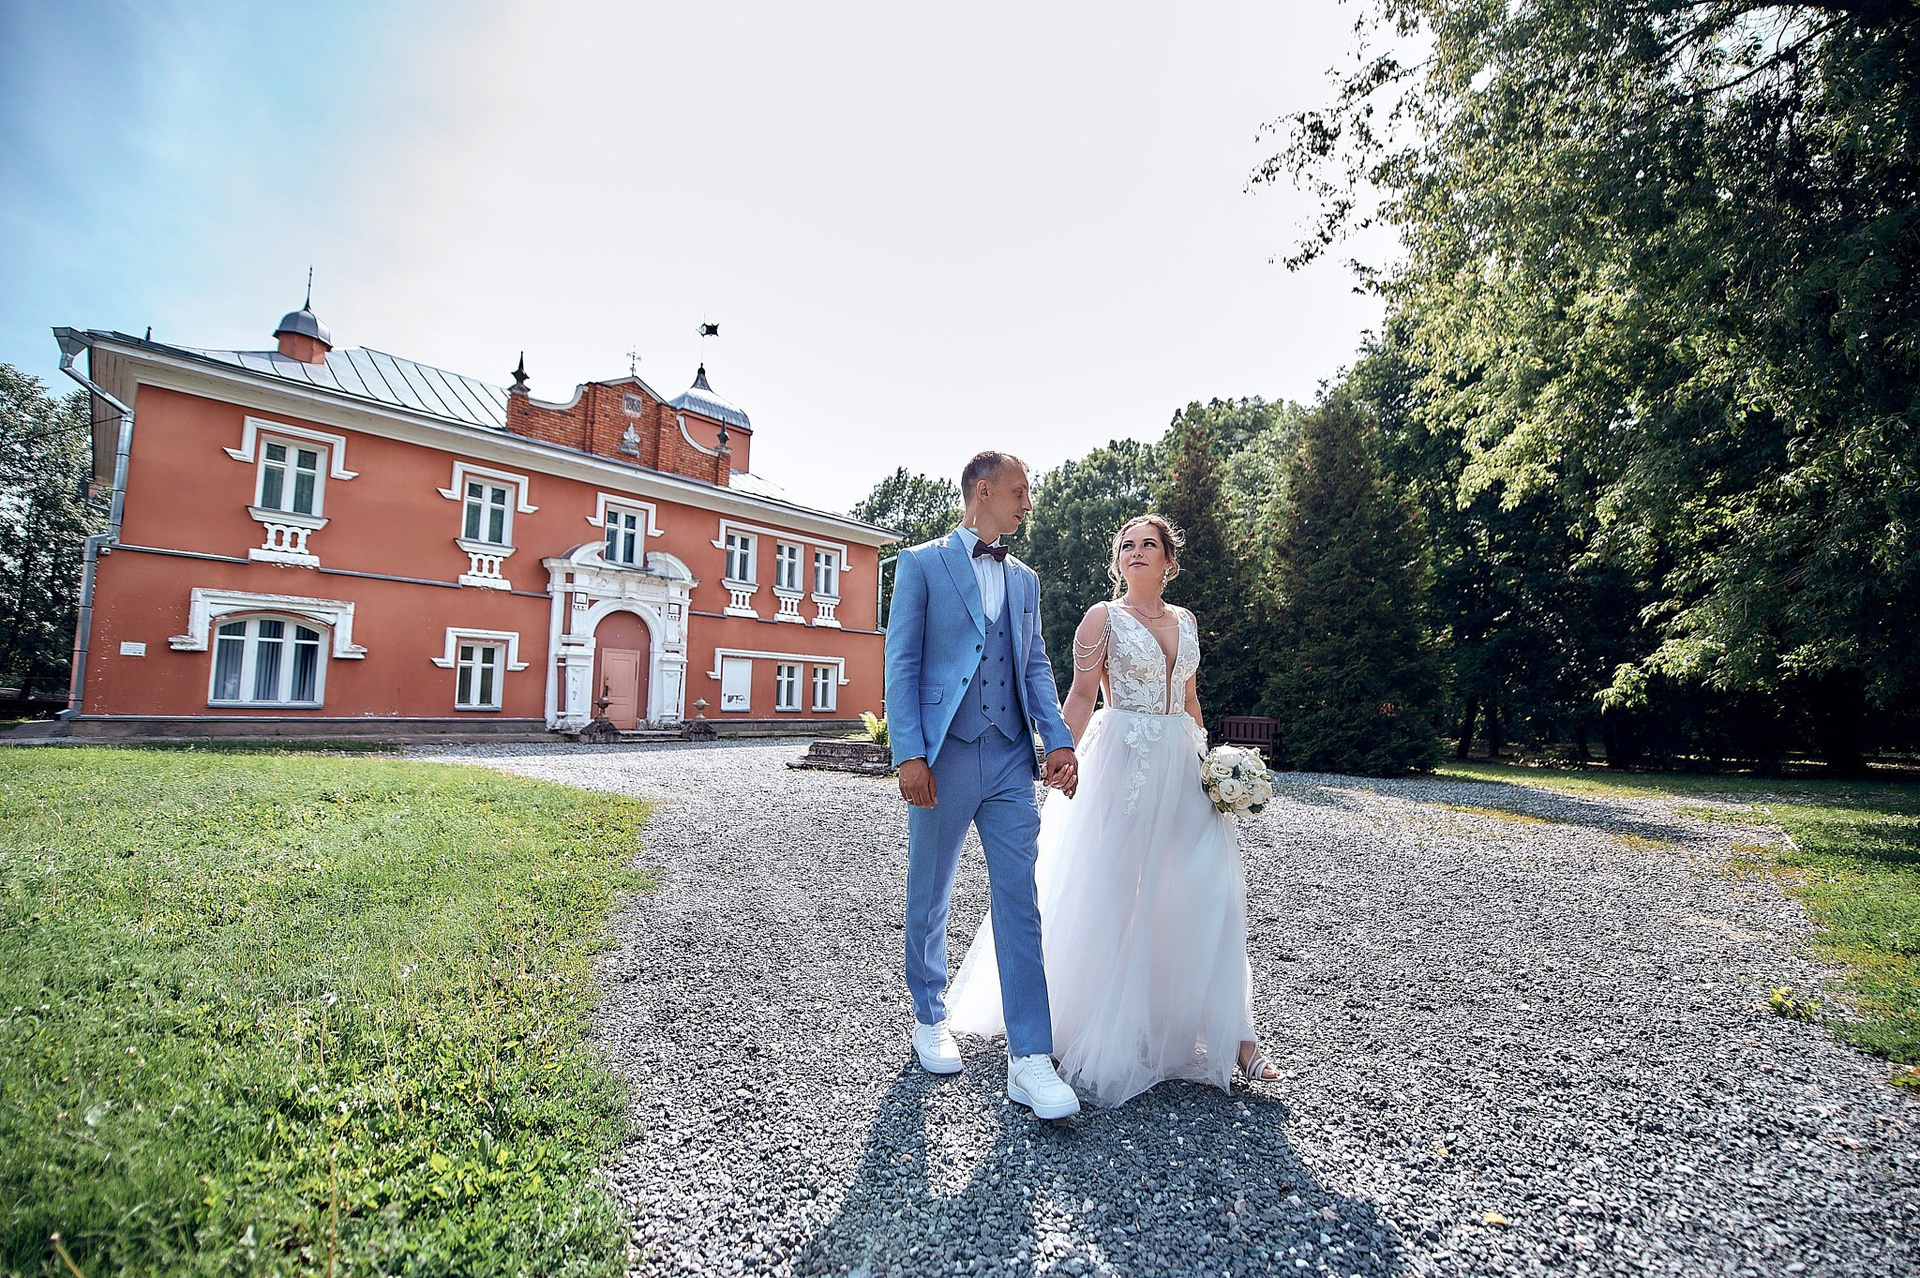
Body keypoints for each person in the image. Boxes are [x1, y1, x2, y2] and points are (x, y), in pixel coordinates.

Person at [947, 513, 1280, 1107]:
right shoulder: (1102, 618)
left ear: (1169, 560)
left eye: (1149, 544)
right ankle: (1096, 1023)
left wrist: (1215, 767)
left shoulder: (1187, 621)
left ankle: (1235, 1036)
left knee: (1208, 888)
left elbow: (1191, 699)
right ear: (1117, 559)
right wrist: (1056, 755)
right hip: (1124, 760)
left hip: (1184, 766)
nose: (1136, 552)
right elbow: (1079, 695)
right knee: (1113, 889)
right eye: (1127, 545)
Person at [884, 451, 1084, 1120]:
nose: (1028, 503)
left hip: (1007, 759)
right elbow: (901, 663)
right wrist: (909, 753)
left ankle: (1030, 1057)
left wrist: (1058, 739)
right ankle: (929, 1014)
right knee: (930, 890)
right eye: (1020, 491)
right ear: (985, 491)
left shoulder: (1025, 579)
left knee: (1019, 899)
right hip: (941, 757)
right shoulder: (920, 565)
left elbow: (1035, 665)